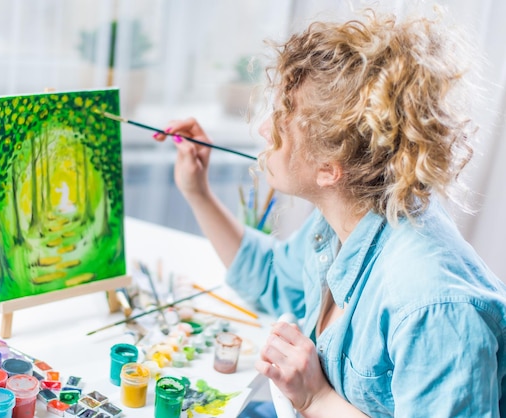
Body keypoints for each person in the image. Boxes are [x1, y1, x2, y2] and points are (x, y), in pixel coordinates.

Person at [152, 9, 506, 418]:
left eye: (284, 118)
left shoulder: (432, 305)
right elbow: (270, 278)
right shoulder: (350, 216)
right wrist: (197, 193)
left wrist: (317, 399)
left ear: (329, 168)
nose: (267, 129)